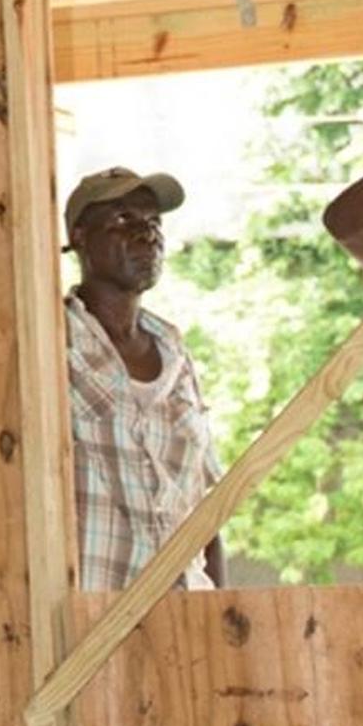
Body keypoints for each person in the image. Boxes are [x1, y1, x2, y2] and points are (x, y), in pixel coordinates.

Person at [63, 167, 225, 592]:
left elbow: (207, 511)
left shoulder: (176, 354)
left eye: (154, 223)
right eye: (123, 221)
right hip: (97, 616)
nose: (146, 235)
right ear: (80, 236)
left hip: (185, 613)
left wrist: (219, 615)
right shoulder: (54, 340)